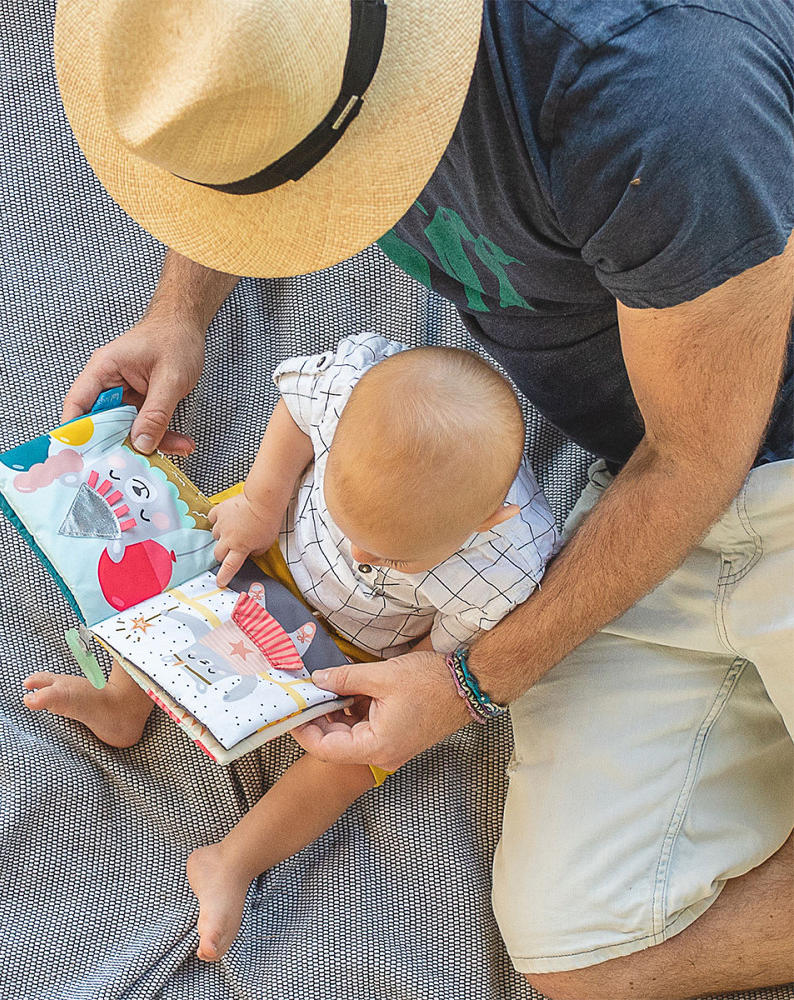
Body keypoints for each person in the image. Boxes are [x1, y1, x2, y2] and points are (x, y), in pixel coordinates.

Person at [52, 1, 794, 996]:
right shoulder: (306, 54)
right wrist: (178, 311)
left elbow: (700, 456)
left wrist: (466, 687)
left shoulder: (654, 98)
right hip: (645, 489)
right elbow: (265, 127)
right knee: (581, 951)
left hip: (724, 457)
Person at [24, 332, 560, 960]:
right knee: (177, 557)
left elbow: (437, 663)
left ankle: (235, 858)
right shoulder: (352, 386)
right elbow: (294, 411)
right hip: (266, 541)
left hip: (359, 645)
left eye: (390, 555)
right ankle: (123, 699)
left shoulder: (505, 565)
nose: (358, 556)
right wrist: (259, 499)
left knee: (360, 756)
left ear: (486, 523)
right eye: (345, 518)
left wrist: (385, 683)